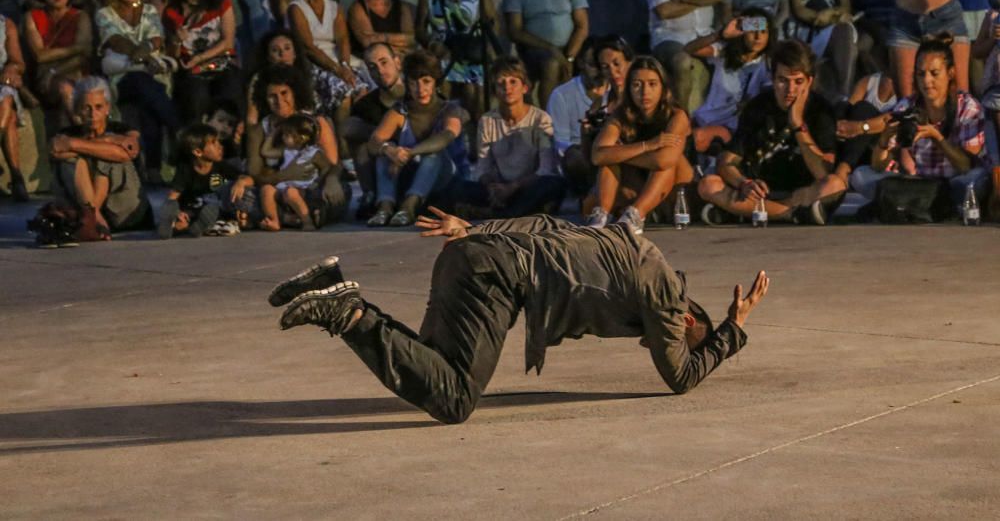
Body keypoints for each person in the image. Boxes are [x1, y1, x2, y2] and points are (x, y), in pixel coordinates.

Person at [267, 215, 770, 425]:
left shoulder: (628, 240)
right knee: (455, 399)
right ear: (685, 319)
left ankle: (329, 280)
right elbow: (679, 377)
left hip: (472, 254)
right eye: (666, 339)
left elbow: (549, 225)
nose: (652, 344)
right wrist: (732, 331)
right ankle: (348, 311)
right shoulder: (664, 293)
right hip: (499, 276)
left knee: (432, 367)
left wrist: (475, 227)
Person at [697, 39, 845, 225]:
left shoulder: (821, 110)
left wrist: (798, 125)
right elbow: (726, 162)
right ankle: (788, 215)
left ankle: (748, 213)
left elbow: (823, 172)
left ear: (809, 82)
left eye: (798, 82)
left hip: (800, 192)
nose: (790, 90)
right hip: (759, 191)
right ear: (773, 80)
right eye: (783, 81)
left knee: (835, 184)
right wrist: (744, 183)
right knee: (708, 185)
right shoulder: (758, 106)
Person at [851, 35, 990, 211]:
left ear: (950, 73)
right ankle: (923, 203)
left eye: (934, 73)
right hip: (921, 183)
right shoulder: (907, 107)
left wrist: (936, 137)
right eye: (921, 74)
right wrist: (884, 141)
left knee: (978, 179)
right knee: (860, 175)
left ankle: (915, 203)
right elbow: (878, 166)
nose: (926, 81)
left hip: (955, 182)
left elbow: (966, 165)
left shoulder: (967, 107)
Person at [448, 58, 566, 219]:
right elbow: (483, 168)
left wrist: (513, 187)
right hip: (500, 186)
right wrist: (493, 188)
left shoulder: (540, 119)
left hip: (527, 186)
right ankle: (512, 211)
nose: (507, 88)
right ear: (495, 90)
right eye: (500, 83)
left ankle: (502, 214)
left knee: (552, 185)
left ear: (524, 87)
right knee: (458, 188)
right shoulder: (487, 120)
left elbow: (545, 169)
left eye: (513, 82)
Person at [588, 56, 694, 235]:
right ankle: (600, 217)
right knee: (608, 161)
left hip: (676, 190)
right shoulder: (621, 115)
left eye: (652, 84)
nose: (645, 92)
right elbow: (597, 156)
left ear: (663, 87)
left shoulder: (676, 115)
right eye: (637, 85)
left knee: (667, 163)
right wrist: (648, 145)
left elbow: (663, 160)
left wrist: (621, 153)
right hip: (638, 182)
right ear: (629, 89)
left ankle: (635, 214)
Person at [95, 0, 179, 183]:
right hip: (122, 77)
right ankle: (177, 130)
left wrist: (145, 52)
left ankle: (152, 171)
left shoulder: (149, 10)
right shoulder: (104, 13)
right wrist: (144, 56)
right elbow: (115, 40)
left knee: (148, 103)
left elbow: (157, 39)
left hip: (150, 76)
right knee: (145, 86)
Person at [366, 50, 464, 227]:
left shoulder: (449, 109)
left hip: (444, 178)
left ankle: (408, 207)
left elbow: (447, 136)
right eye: (414, 83)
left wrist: (409, 153)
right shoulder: (401, 110)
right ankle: (385, 207)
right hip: (409, 174)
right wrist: (390, 151)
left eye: (426, 82)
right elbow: (374, 141)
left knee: (433, 154)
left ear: (435, 82)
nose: (420, 89)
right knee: (385, 153)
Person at [289, 0, 376, 157]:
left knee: (364, 87)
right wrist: (338, 70)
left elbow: (343, 39)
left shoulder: (334, 7)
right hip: (314, 62)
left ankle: (365, 142)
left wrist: (344, 64)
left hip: (338, 59)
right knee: (344, 93)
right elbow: (308, 47)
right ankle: (342, 151)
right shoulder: (297, 8)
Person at [247, 63, 349, 227]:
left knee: (341, 191)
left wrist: (331, 180)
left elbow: (333, 165)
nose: (279, 101)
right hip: (276, 192)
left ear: (295, 93)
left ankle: (290, 217)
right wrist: (285, 175)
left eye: (284, 93)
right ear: (264, 99)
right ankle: (293, 218)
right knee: (242, 195)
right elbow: (254, 175)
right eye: (272, 96)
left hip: (309, 189)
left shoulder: (315, 123)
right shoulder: (260, 129)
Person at [49, 77, 152, 239]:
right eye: (86, 108)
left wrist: (77, 144)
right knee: (70, 162)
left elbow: (128, 152)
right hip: (83, 211)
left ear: (107, 108)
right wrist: (109, 142)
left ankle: (91, 217)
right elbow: (55, 150)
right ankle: (93, 218)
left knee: (109, 156)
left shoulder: (124, 130)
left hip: (124, 213)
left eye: (98, 107)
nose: (93, 114)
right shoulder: (67, 133)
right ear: (77, 109)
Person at [502, 0, 589, 110]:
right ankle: (549, 119)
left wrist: (570, 58)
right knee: (551, 63)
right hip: (534, 49)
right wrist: (550, 48)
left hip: (570, 48)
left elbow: (582, 25)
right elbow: (515, 30)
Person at [416, 0, 497, 126]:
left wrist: (490, 49)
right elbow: (419, 29)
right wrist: (433, 45)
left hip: (473, 50)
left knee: (473, 91)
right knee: (440, 81)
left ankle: (476, 140)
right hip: (445, 51)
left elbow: (491, 19)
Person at [645, 0, 723, 115]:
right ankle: (681, 117)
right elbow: (664, 11)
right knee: (681, 61)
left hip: (704, 34)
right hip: (670, 36)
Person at [162, 0, 243, 127]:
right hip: (190, 71)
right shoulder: (171, 11)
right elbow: (173, 54)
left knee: (230, 92)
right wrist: (176, 40)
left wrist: (199, 59)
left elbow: (228, 42)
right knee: (196, 97)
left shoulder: (221, 2)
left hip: (221, 62)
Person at [686, 11, 775, 155]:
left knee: (694, 139)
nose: (758, 37)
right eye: (752, 30)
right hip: (704, 118)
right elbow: (688, 50)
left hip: (732, 128)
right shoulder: (724, 53)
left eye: (763, 31)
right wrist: (721, 34)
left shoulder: (769, 65)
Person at [24, 0, 92, 131]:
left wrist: (54, 69)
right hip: (46, 80)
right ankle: (79, 129)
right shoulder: (32, 17)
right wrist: (74, 49)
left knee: (74, 85)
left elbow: (84, 56)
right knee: (65, 87)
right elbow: (40, 56)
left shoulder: (80, 17)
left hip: (72, 73)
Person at [343, 42, 407, 218]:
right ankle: (370, 195)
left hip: (413, 157)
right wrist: (383, 138)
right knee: (361, 146)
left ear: (397, 62)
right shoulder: (367, 104)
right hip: (384, 160)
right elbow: (347, 128)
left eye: (383, 62)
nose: (379, 70)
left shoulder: (417, 92)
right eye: (372, 67)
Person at [158, 123, 251, 238]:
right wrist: (178, 212)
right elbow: (173, 196)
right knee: (178, 214)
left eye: (218, 141)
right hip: (191, 210)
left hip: (211, 210)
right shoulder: (185, 169)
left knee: (214, 210)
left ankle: (195, 227)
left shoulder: (221, 166)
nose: (219, 146)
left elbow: (247, 178)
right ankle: (175, 226)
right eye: (213, 143)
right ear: (198, 152)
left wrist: (241, 182)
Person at [547, 37, 610, 194]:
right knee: (574, 157)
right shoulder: (561, 95)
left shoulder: (617, 92)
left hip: (609, 153)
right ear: (581, 63)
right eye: (593, 66)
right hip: (580, 157)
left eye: (603, 66)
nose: (600, 72)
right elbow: (560, 144)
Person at [259, 113, 329, 231]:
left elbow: (327, 167)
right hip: (283, 187)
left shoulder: (313, 153)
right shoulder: (286, 150)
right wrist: (273, 134)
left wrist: (318, 182)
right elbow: (265, 152)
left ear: (301, 138)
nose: (283, 137)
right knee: (266, 189)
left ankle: (307, 221)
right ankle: (274, 220)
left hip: (304, 190)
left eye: (287, 135)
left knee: (291, 193)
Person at [0, 15, 30, 202]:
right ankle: (17, 176)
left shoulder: (5, 24)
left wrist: (11, 68)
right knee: (9, 115)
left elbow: (18, 62)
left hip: (0, 83)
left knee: (6, 95)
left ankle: (17, 178)